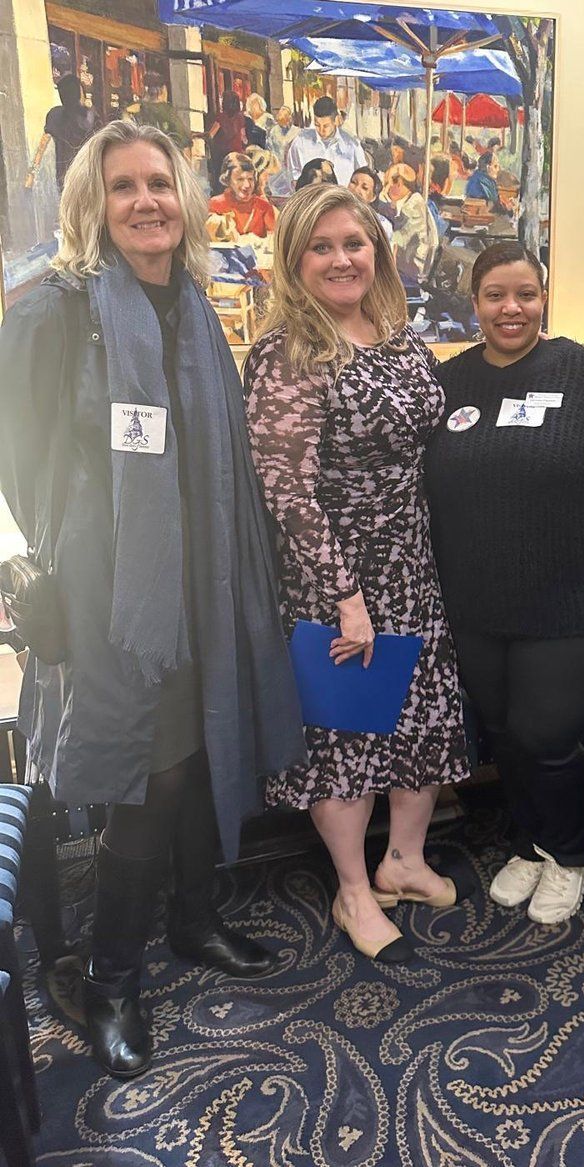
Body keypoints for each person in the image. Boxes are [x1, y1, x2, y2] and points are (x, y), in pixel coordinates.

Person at [0, 121, 304, 1078]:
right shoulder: (56, 310)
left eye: (159, 184)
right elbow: (14, 459)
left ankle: (194, 919)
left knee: (198, 748)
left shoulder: (198, 309)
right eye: (123, 185)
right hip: (111, 597)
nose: (145, 201)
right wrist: (47, 562)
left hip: (205, 582)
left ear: (185, 199)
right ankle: (111, 978)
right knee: (150, 773)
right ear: (91, 202)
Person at [243, 184, 469, 965]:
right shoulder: (288, 352)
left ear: (378, 250)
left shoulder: (399, 336)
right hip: (338, 576)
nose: (342, 259)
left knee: (420, 717)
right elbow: (287, 489)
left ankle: (402, 860)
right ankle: (352, 888)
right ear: (295, 259)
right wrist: (346, 595)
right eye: (322, 246)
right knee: (348, 733)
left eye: (355, 243)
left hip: (413, 560)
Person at [424, 242, 584, 924]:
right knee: (505, 735)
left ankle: (571, 851)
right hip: (478, 606)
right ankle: (530, 842)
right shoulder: (448, 382)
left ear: (544, 299)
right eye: (495, 295)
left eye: (526, 294)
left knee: (547, 736)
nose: (511, 308)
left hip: (573, 604)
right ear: (474, 303)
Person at [26, 74, 98, 191]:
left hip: (64, 176)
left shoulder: (55, 115)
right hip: (87, 175)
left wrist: (32, 174)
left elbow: (42, 146)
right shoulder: (88, 116)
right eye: (81, 91)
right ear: (76, 94)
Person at [285, 96, 366, 185]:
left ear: (336, 120)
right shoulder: (301, 141)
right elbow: (292, 174)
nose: (321, 130)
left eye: (326, 126)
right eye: (317, 125)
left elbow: (363, 176)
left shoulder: (352, 145)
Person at [385, 163, 438, 283]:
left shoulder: (414, 204)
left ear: (399, 184)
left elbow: (403, 237)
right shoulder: (405, 203)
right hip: (406, 263)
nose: (386, 188)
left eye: (388, 183)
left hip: (414, 269)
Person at [207, 151, 276, 238]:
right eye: (240, 179)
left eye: (250, 179)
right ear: (227, 180)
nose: (247, 185)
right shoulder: (215, 204)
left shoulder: (264, 207)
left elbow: (274, 239)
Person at [136, 74, 192, 156]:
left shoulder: (136, 108)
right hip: (165, 154)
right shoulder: (167, 110)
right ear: (161, 90)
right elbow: (182, 137)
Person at [206, 90, 248, 192]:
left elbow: (211, 135)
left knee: (221, 178)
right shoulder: (240, 117)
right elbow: (244, 138)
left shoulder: (221, 117)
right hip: (236, 152)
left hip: (222, 154)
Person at [348, 165, 395, 238]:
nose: (356, 189)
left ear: (373, 197)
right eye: (353, 182)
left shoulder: (381, 225)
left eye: (364, 188)